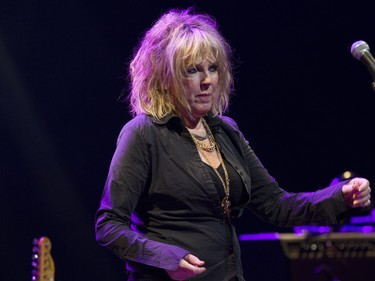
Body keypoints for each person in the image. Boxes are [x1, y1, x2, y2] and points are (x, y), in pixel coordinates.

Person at [95, 8, 372, 281]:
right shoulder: (143, 133)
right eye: (193, 70)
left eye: (212, 69)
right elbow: (109, 226)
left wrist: (340, 197)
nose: (206, 81)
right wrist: (166, 258)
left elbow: (277, 205)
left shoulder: (226, 131)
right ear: (166, 78)